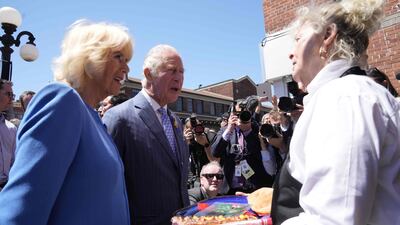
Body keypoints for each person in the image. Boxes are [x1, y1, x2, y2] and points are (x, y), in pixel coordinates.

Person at [270, 1, 400, 225]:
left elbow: (336, 218)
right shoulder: (343, 95)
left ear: (328, 35)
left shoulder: (345, 97)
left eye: (298, 39)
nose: (291, 54)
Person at [0, 20, 133, 225]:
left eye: (127, 60)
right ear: (89, 58)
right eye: (118, 57)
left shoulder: (93, 117)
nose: (126, 67)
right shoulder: (63, 100)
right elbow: (20, 210)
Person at [103, 44, 189, 225]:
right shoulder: (119, 117)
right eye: (172, 71)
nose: (179, 78)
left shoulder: (176, 121)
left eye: (182, 72)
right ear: (149, 73)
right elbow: (106, 188)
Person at [212, 100, 275, 195]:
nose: (241, 117)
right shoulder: (225, 130)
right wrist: (229, 129)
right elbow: (215, 152)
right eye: (237, 114)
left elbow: (262, 156)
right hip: (229, 188)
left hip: (254, 188)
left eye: (244, 113)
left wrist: (248, 131)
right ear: (231, 114)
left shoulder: (257, 130)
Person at [184, 114, 218, 188]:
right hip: (195, 177)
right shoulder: (187, 139)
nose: (195, 131)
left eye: (196, 128)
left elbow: (215, 162)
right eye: (191, 129)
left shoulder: (209, 135)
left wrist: (205, 144)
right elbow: (182, 159)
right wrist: (186, 142)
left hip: (211, 177)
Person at [0, 80, 17, 191]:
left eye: (13, 95)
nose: (12, 99)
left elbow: (14, 162)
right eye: (8, 94)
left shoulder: (11, 129)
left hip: (5, 190)